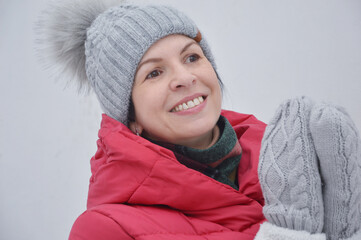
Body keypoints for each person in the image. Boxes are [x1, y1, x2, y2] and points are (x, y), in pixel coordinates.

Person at [37, 0, 361, 239]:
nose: (185, 78)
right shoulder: (105, 229)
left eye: (192, 57)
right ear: (129, 116)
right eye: (154, 72)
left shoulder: (293, 157)